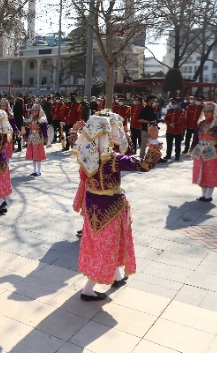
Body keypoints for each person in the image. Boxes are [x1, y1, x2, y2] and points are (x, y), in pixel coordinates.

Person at [71, 112, 162, 301]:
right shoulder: (112, 159)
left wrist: (75, 131)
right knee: (107, 246)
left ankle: (118, 276)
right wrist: (154, 140)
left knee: (99, 244)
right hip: (111, 207)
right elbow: (145, 165)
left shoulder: (84, 154)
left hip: (92, 205)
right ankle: (88, 290)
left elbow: (75, 142)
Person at [185, 102, 217, 202]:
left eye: (209, 111)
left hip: (213, 151)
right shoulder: (201, 123)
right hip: (200, 151)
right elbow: (195, 138)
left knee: (210, 172)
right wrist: (190, 151)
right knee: (201, 171)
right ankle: (203, 194)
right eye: (205, 111)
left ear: (214, 112)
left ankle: (209, 195)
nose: (206, 113)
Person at [23, 103, 49, 176]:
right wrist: (25, 136)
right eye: (33, 111)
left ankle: (39, 171)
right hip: (31, 138)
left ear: (39, 111)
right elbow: (27, 129)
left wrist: (46, 138)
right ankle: (34, 171)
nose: (34, 112)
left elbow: (44, 130)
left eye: (36, 111)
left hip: (38, 138)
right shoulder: (31, 119)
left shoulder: (42, 119)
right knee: (33, 155)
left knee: (38, 155)